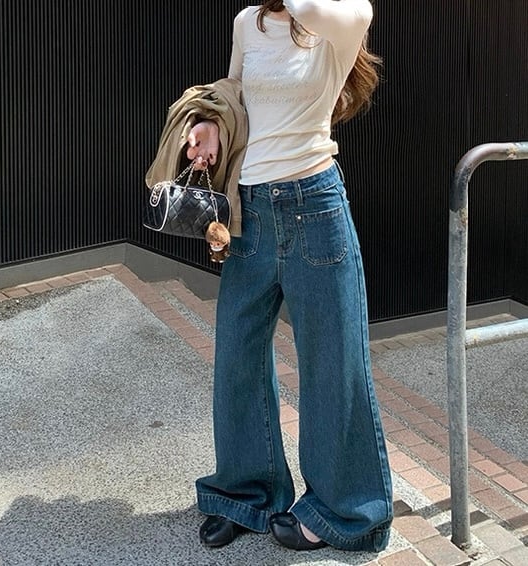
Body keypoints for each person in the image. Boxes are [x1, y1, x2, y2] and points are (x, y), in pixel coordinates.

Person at [187, 0, 393, 552]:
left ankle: (345, 512)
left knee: (332, 362)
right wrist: (210, 124)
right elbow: (234, 95)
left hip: (314, 207)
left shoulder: (346, 14)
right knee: (237, 356)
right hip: (250, 211)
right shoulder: (248, 21)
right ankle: (245, 495)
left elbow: (314, 10)